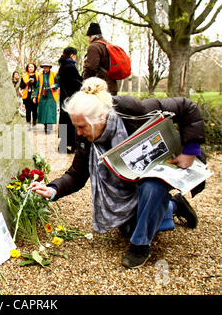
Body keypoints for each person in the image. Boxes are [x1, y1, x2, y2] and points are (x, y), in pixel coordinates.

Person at [29, 77, 204, 268]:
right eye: (75, 126)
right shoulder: (88, 139)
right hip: (130, 178)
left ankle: (140, 246)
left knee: (152, 187)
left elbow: (187, 107)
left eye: (81, 127)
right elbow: (76, 174)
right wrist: (53, 189)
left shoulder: (132, 111)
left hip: (165, 163)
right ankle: (175, 206)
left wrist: (190, 151)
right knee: (130, 228)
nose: (77, 133)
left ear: (101, 118)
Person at [58, 47, 83, 153]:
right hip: (71, 98)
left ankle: (63, 145)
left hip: (64, 97)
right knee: (72, 121)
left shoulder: (62, 66)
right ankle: (73, 145)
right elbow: (76, 82)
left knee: (64, 120)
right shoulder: (70, 67)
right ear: (72, 55)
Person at [83, 23, 118, 95]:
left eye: (88, 37)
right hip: (112, 86)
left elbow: (91, 68)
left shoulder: (94, 47)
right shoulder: (107, 45)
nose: (88, 40)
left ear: (91, 36)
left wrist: (85, 83)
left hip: (100, 88)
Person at [32, 62, 59, 134]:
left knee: (50, 112)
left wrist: (54, 86)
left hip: (51, 95)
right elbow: (38, 87)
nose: (45, 68)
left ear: (49, 67)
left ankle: (49, 127)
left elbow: (58, 83)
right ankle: (45, 126)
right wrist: (35, 96)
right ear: (42, 67)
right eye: (44, 67)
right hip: (42, 95)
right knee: (43, 112)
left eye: (47, 67)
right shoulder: (40, 75)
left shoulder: (54, 74)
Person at [20, 63, 39, 130]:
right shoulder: (24, 75)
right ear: (27, 68)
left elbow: (39, 85)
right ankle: (28, 124)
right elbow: (21, 86)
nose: (31, 68)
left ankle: (34, 124)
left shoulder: (38, 75)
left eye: (32, 67)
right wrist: (27, 82)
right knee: (28, 111)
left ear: (34, 68)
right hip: (27, 96)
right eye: (29, 67)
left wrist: (34, 82)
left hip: (35, 96)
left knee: (34, 110)